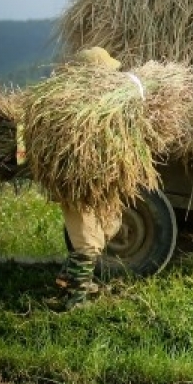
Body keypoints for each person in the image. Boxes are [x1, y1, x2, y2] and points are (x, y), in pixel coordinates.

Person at [44, 47, 126, 311]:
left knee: (110, 224)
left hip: (96, 182)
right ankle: (75, 300)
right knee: (86, 240)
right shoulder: (70, 108)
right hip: (77, 183)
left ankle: (67, 282)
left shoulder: (100, 104)